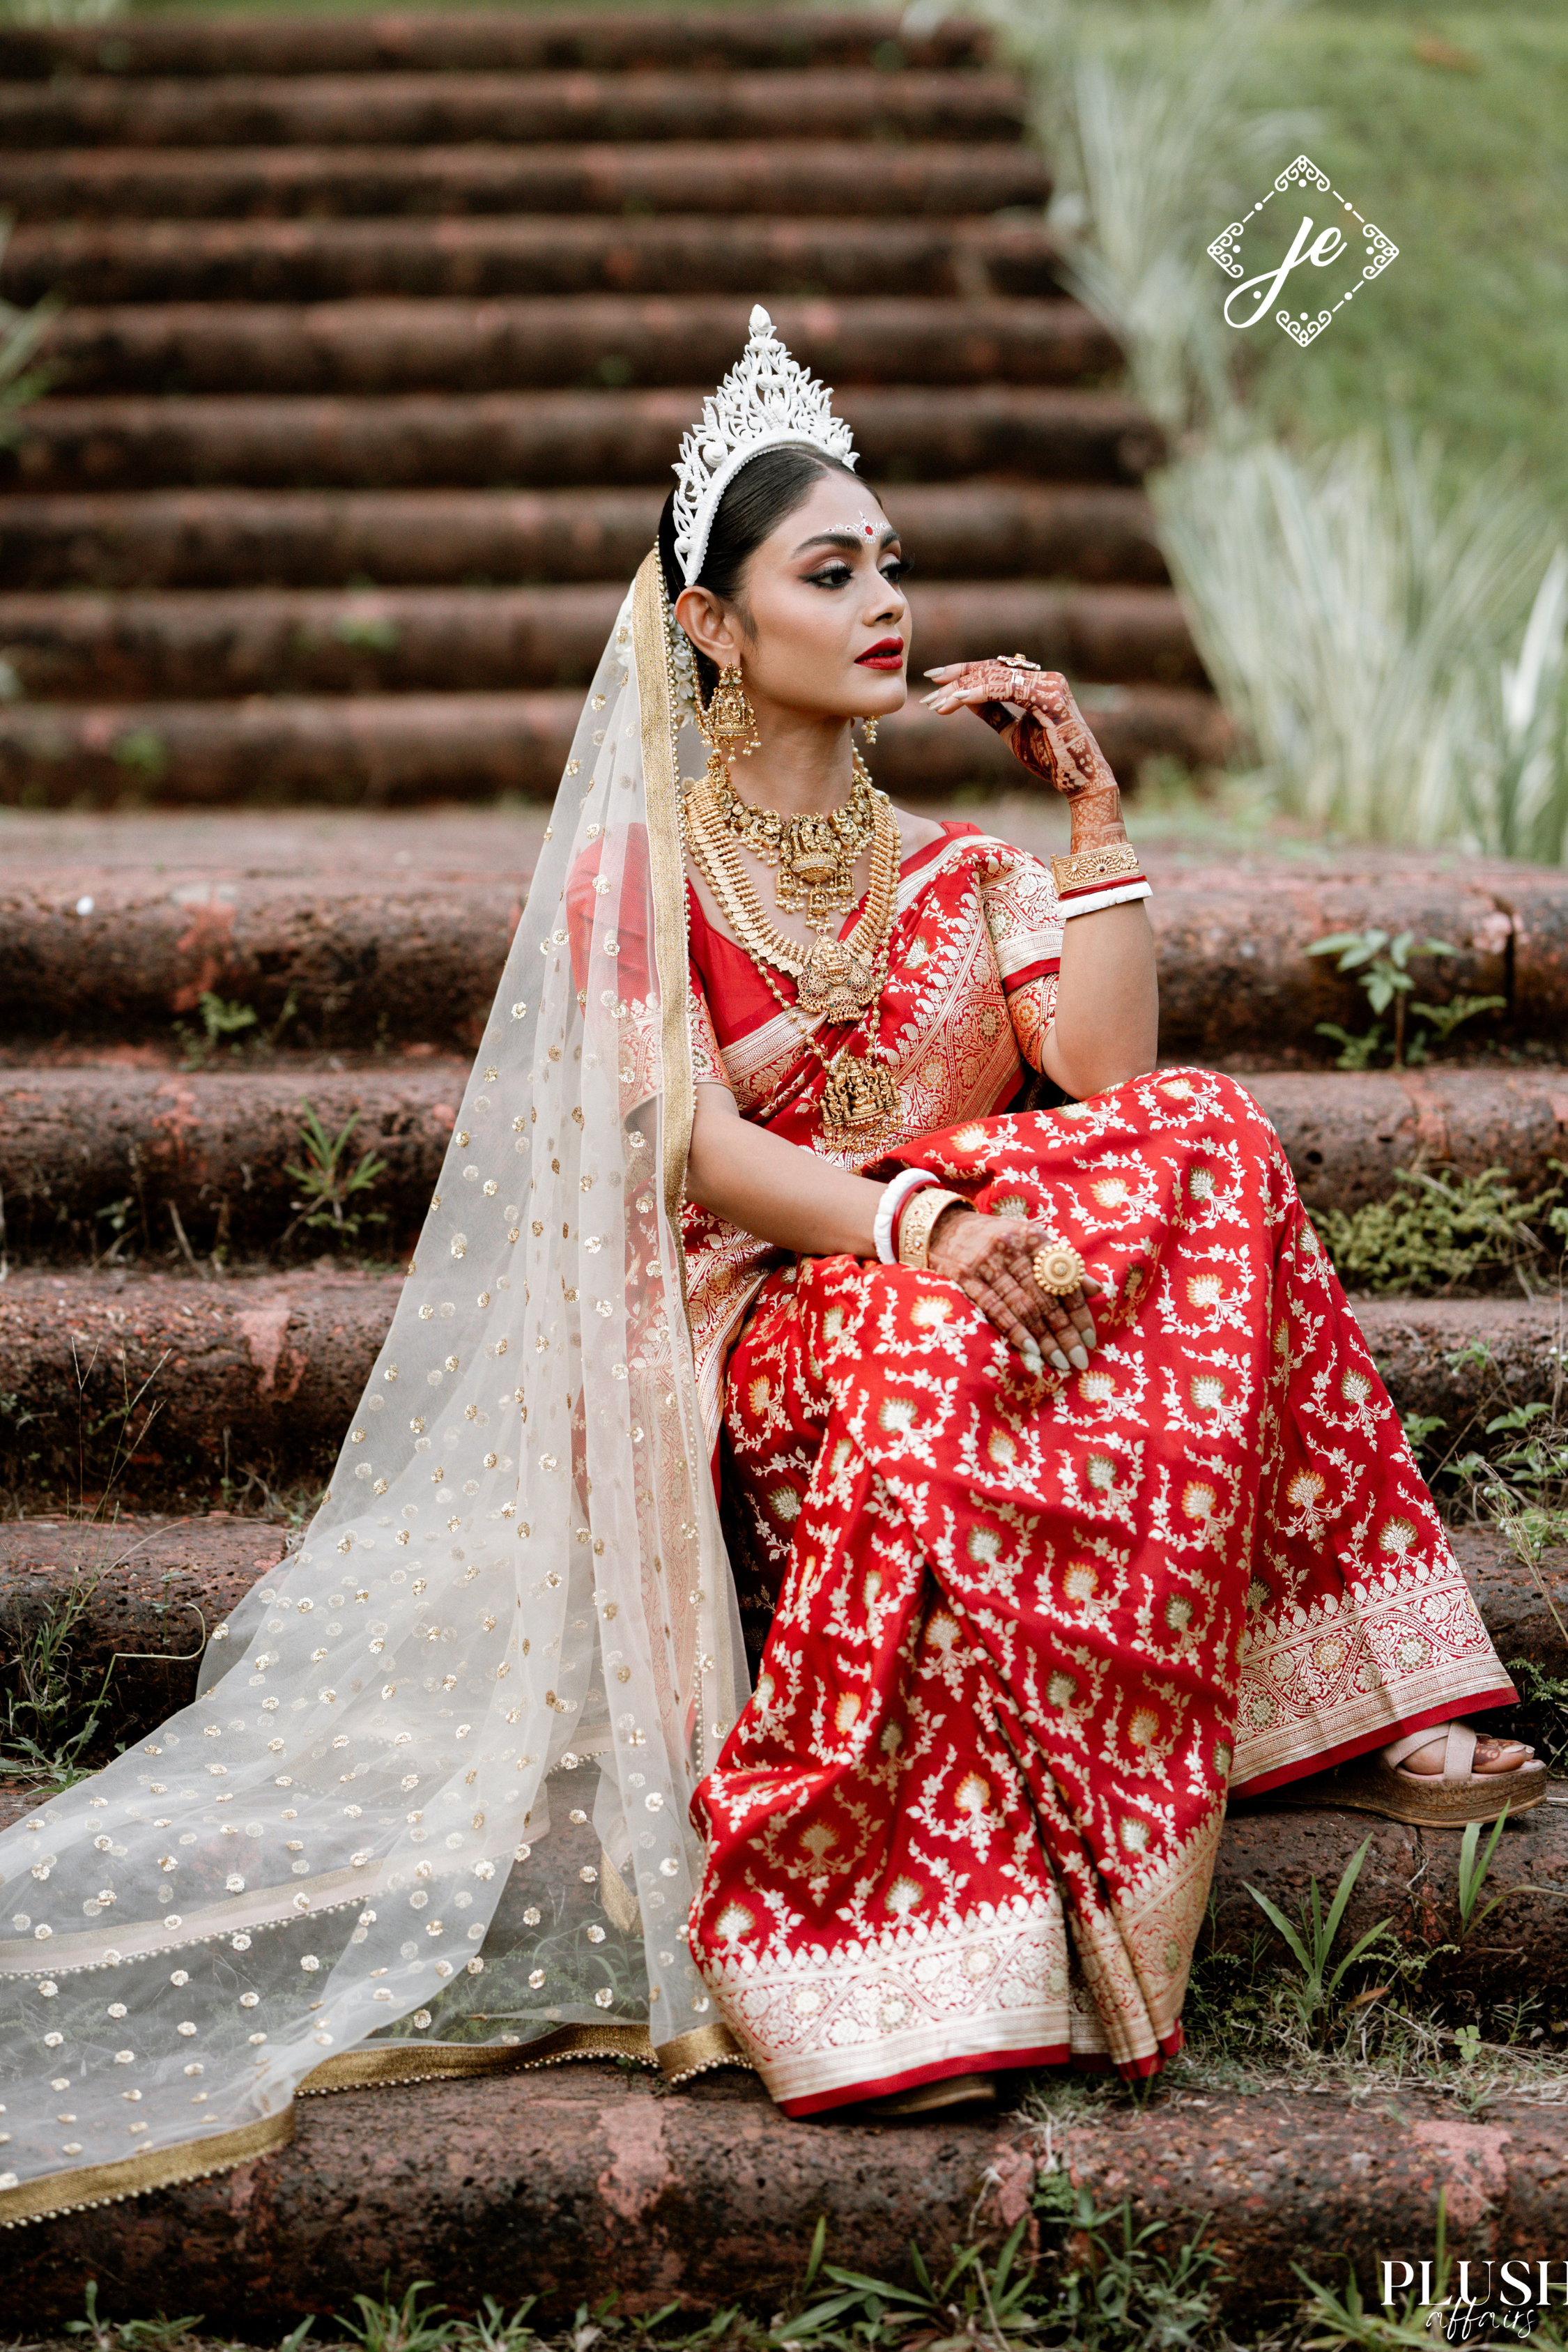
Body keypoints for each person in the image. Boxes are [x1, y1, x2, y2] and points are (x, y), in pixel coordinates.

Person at [0, 313, 1540, 2222]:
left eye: (891, 563)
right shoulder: (647, 868)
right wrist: (926, 1221)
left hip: (990, 1304)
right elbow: (691, 1145)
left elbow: (1118, 1088)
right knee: (915, 1322)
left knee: (1211, 1129)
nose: (886, 599)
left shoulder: (957, 877)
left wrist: (1101, 825)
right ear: (717, 624)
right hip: (777, 1328)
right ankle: (896, 1949)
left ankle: (1349, 1688)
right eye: (834, 570)